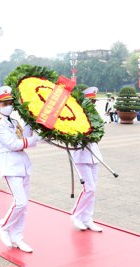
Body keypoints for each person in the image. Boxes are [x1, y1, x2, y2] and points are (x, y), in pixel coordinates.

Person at [0, 86, 41, 253]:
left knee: (24, 206)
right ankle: (4, 227)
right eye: (5, 103)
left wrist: (30, 121)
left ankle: (17, 237)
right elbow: (13, 144)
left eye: (10, 102)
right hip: (10, 165)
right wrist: (34, 140)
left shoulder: (13, 122)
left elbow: (24, 138)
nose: (9, 105)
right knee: (20, 202)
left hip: (23, 165)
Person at [70, 87, 104, 233]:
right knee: (88, 188)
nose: (93, 103)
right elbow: (70, 135)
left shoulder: (94, 115)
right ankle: (76, 215)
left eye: (94, 101)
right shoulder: (75, 115)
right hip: (81, 156)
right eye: (90, 101)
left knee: (93, 190)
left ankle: (87, 218)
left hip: (94, 156)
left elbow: (99, 132)